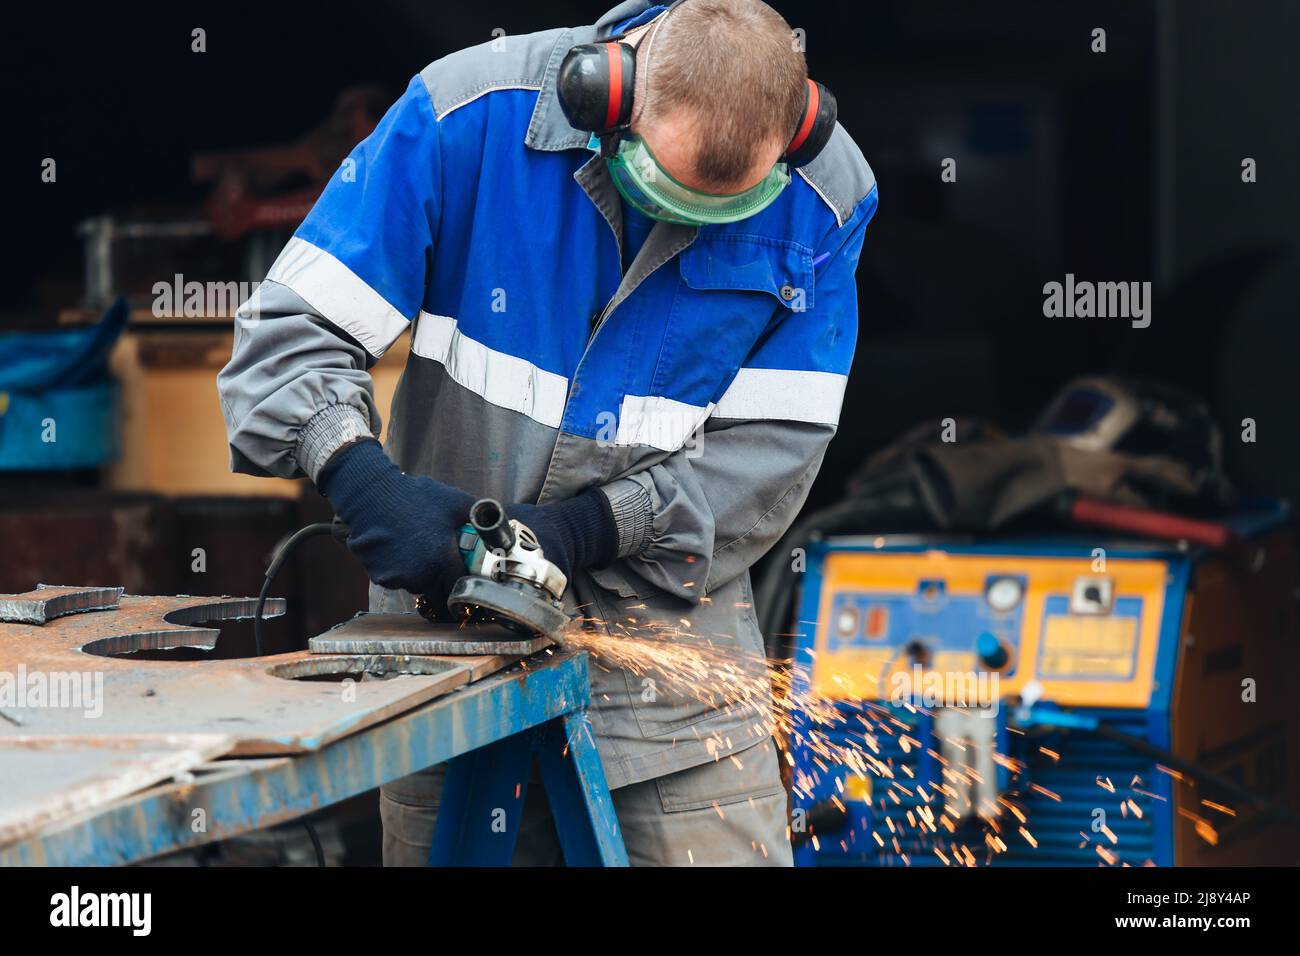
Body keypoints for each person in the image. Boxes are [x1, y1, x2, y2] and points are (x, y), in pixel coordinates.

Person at [217, 0, 877, 866]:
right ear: (606, 94)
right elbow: (291, 334)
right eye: (662, 187)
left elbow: (774, 448)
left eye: (715, 211)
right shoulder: (464, 116)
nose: (677, 223)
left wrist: (592, 527)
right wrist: (360, 476)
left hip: (670, 680)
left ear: (795, 137)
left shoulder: (826, 195)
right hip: (444, 657)